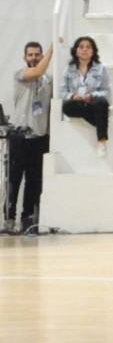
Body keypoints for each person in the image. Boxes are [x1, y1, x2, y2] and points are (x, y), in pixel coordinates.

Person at [6, 42, 52, 234]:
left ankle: (27, 219)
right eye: (30, 55)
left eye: (37, 54)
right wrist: (52, 50)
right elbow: (37, 72)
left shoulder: (48, 80)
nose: (33, 58)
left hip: (39, 138)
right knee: (14, 180)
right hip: (20, 137)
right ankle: (9, 219)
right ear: (25, 58)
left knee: (34, 181)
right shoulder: (20, 74)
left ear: (41, 57)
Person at [59, 36, 110, 158]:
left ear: (93, 51)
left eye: (88, 47)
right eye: (81, 47)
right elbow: (61, 91)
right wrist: (72, 96)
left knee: (101, 103)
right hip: (77, 103)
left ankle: (102, 142)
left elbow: (106, 91)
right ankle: (100, 122)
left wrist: (92, 95)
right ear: (76, 51)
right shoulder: (68, 69)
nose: (85, 50)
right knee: (66, 106)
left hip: (92, 103)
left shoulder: (101, 68)